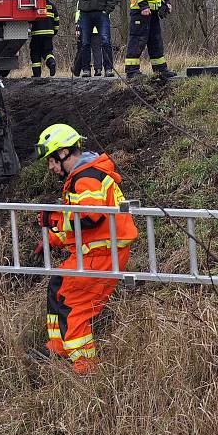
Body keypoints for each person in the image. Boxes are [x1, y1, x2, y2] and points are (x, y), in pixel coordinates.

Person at [29, 123, 138, 375]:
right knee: (57, 287)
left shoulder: (86, 177)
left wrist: (53, 220)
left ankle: (85, 370)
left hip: (101, 255)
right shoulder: (82, 176)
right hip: (95, 252)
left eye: (52, 160)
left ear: (65, 153)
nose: (51, 166)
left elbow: (90, 217)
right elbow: (81, 222)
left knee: (72, 306)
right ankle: (58, 349)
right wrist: (55, 238)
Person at [68, 0, 120, 78]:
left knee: (106, 41)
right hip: (85, 14)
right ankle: (86, 70)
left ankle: (108, 69)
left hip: (102, 14)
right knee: (85, 42)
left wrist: (107, 10)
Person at [73, 6, 109, 77]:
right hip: (94, 29)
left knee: (84, 47)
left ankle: (83, 69)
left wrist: (77, 27)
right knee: (96, 50)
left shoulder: (81, 3)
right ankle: (97, 69)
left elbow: (78, 17)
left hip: (85, 28)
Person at [29, 0, 59, 77]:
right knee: (48, 52)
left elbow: (29, 19)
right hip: (48, 34)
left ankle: (37, 75)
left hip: (37, 34)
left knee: (35, 53)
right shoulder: (52, 5)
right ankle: (51, 63)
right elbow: (56, 20)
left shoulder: (35, 4)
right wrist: (54, 31)